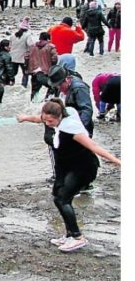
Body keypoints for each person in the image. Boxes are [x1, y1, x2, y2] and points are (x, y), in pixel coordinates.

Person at [16, 99, 121, 252]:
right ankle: (70, 234)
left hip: (83, 168)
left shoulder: (71, 129)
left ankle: (78, 238)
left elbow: (94, 146)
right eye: (46, 120)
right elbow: (38, 119)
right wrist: (25, 118)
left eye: (51, 121)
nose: (48, 123)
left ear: (60, 117)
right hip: (66, 167)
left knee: (62, 198)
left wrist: (118, 161)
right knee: (58, 196)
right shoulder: (59, 115)